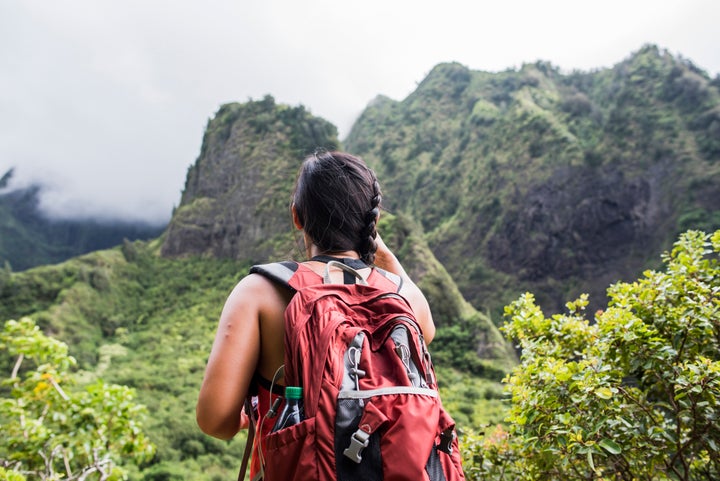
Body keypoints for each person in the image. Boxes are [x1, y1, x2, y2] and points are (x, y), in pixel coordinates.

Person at [196, 151, 436, 474]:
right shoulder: (404, 296)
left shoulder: (259, 293)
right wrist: (378, 247)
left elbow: (214, 419)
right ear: (372, 222)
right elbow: (427, 329)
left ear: (297, 216)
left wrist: (248, 416)